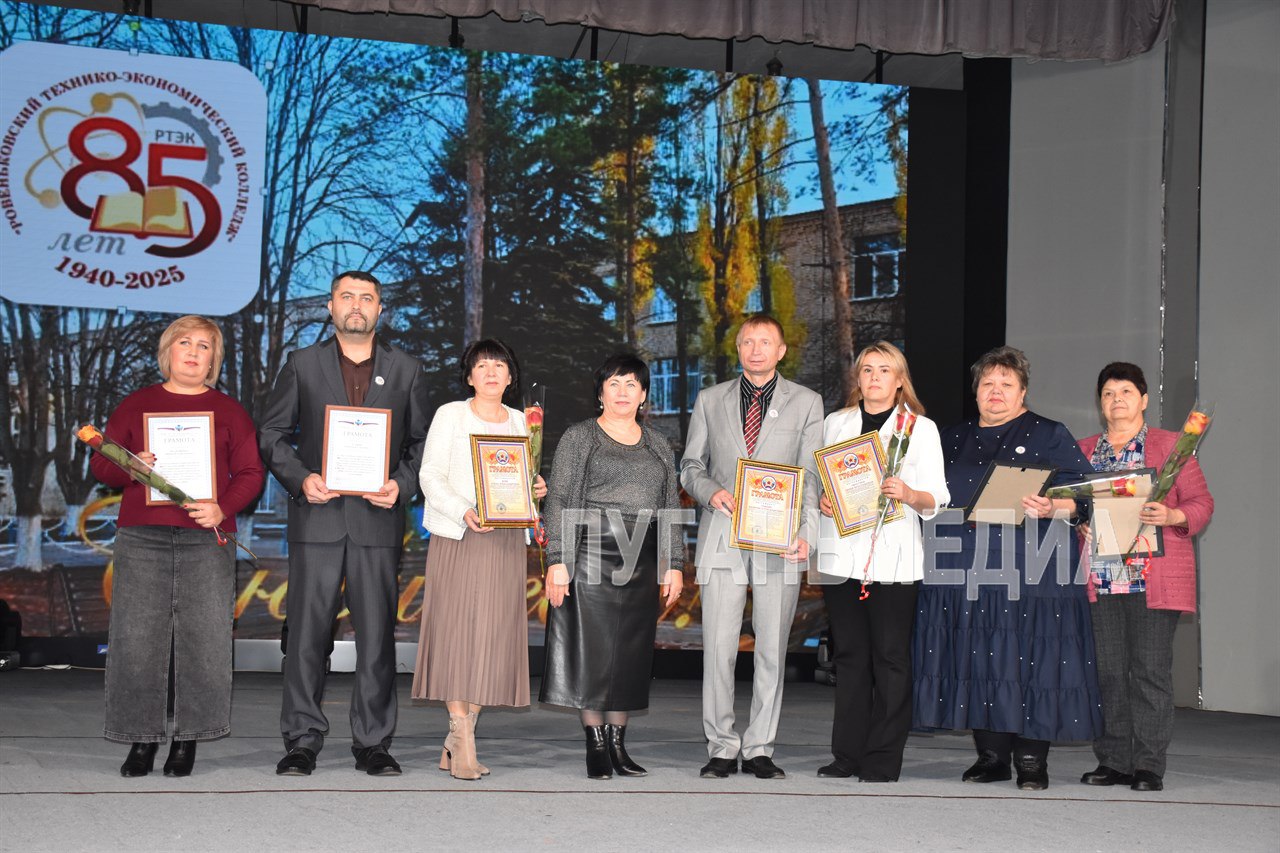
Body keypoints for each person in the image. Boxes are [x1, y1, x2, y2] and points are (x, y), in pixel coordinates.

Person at [259, 270, 430, 777]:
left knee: (377, 637)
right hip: (317, 517)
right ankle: (301, 740)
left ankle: (373, 743)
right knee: (307, 636)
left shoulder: (408, 370)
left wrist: (402, 483)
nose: (357, 305)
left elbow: (421, 442)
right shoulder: (302, 365)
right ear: (330, 307)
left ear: (381, 310)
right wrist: (301, 477)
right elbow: (270, 432)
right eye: (347, 296)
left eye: (367, 298)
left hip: (377, 522)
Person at [913, 345, 1103, 791]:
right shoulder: (951, 438)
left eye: (1006, 385)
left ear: (1023, 392)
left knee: (1034, 663)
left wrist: (1054, 505)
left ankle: (1032, 763)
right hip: (964, 571)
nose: (995, 392)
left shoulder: (1050, 433)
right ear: (975, 390)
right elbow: (926, 499)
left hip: (1035, 575)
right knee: (980, 658)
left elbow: (1090, 497)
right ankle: (992, 757)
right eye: (987, 384)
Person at [92, 315, 264, 777]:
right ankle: (141, 740)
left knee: (204, 640)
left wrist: (221, 508)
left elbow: (250, 474)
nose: (193, 351)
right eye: (184, 342)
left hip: (206, 537)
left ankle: (189, 739)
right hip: (142, 536)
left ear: (214, 360)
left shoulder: (230, 411)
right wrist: (130, 464)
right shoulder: (137, 404)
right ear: (167, 352)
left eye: (204, 346)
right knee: (136, 639)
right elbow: (102, 470)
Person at [679, 315, 823, 780]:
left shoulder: (807, 402)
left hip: (779, 541)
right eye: (747, 342)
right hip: (723, 533)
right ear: (737, 349)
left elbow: (812, 475)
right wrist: (708, 490)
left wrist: (808, 532)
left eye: (765, 342)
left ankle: (760, 746)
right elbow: (690, 465)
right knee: (718, 648)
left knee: (772, 648)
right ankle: (721, 746)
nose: (755, 349)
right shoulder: (709, 399)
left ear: (782, 350)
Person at [540, 353, 685, 780]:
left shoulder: (658, 443)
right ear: (600, 391)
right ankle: (596, 745)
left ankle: (619, 745)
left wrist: (673, 564)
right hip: (589, 553)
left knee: (630, 654)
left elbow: (669, 504)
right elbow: (560, 499)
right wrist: (558, 561)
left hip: (641, 557)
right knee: (592, 652)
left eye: (631, 385)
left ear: (643, 395)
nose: (622, 392)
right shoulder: (580, 437)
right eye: (614, 383)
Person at [813, 342, 949, 782]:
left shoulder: (920, 429)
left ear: (899, 380)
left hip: (893, 558)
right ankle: (846, 756)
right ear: (857, 378)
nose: (874, 377)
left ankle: (883, 759)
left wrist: (909, 495)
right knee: (849, 658)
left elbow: (939, 498)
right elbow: (823, 483)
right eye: (867, 369)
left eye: (884, 370)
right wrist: (823, 502)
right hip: (840, 556)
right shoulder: (836, 423)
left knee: (890, 659)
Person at [413, 339, 547, 780]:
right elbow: (429, 474)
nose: (491, 371)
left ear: (510, 377)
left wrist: (536, 487)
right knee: (456, 636)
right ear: (469, 376)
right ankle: (463, 738)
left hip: (505, 542)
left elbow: (521, 479)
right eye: (481, 365)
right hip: (458, 536)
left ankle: (458, 736)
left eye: (499, 365)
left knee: (491, 639)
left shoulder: (522, 421)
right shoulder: (451, 415)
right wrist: (462, 511)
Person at [1077, 362, 1214, 792]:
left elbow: (1201, 503)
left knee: (1150, 672)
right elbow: (1066, 504)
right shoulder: (1082, 450)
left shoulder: (1173, 446)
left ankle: (1149, 766)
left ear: (1143, 399)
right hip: (1101, 579)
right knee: (1109, 674)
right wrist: (1076, 521)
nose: (1116, 400)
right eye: (1108, 394)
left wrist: (1173, 514)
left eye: (1124, 392)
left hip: (1152, 579)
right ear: (1100, 404)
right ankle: (1114, 761)